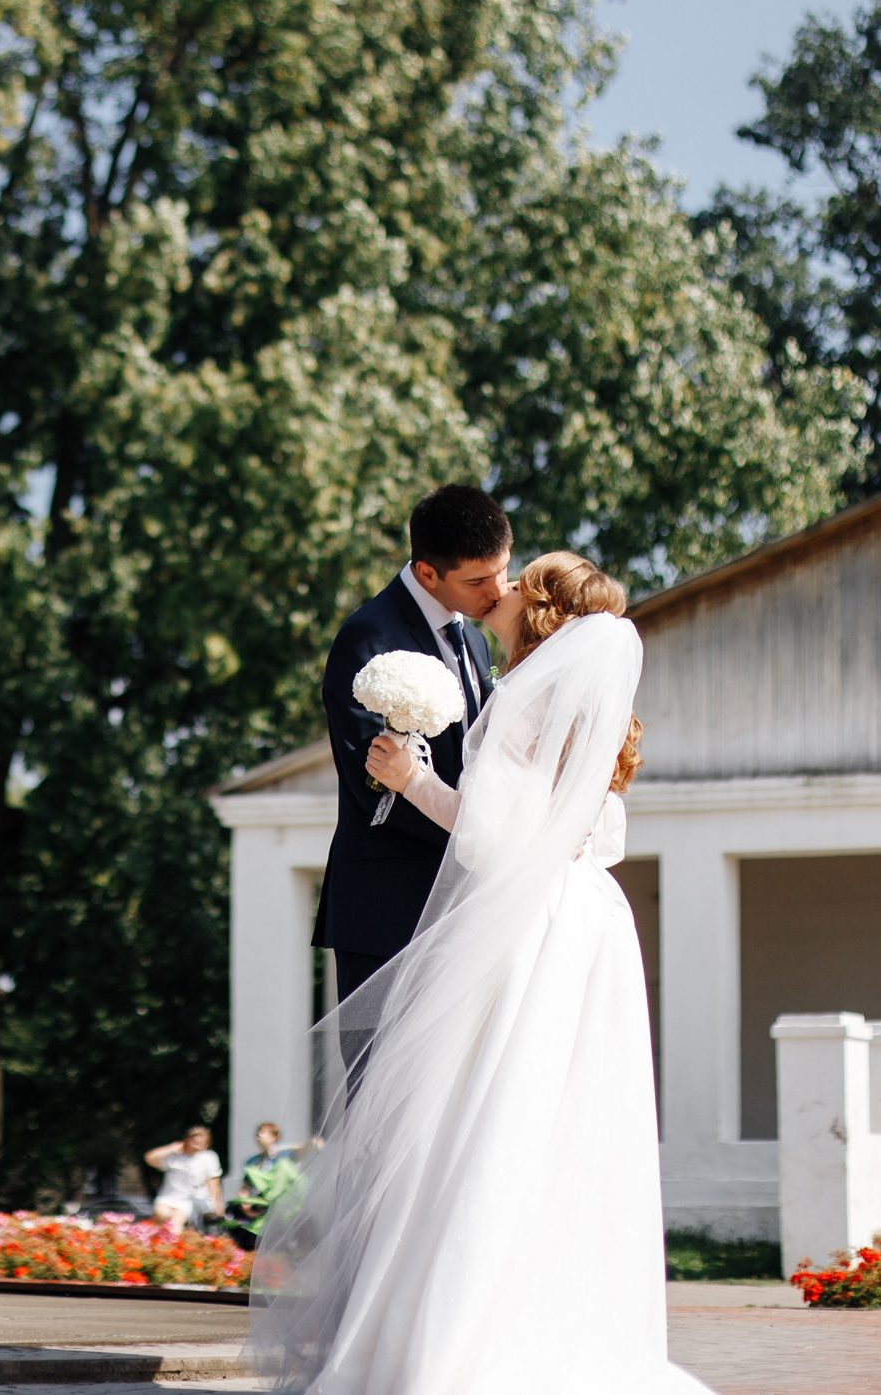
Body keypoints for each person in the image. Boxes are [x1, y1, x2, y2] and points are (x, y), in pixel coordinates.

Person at [249, 553, 708, 1395]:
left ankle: (455, 1337)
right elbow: (598, 836)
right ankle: (540, 1326)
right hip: (588, 921)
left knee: (481, 1119)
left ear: (538, 609)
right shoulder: (591, 709)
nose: (503, 586)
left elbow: (492, 841)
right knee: (546, 1124)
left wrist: (412, 779)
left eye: (522, 579)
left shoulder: (523, 697)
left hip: (526, 925)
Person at [312, 486, 510, 1007]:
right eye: (477, 581)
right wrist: (477, 831)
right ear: (427, 573)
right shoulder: (367, 637)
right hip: (389, 909)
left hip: (466, 906)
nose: (498, 591)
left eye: (502, 571)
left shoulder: (474, 639)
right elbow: (371, 780)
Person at [222, 1121, 303, 1250]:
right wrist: (245, 1205)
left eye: (262, 1133)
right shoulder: (252, 1161)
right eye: (257, 1133)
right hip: (256, 1211)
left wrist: (283, 1147)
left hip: (278, 1211)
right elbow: (245, 1185)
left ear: (274, 1136)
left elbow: (308, 1148)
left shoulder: (284, 1157)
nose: (258, 1137)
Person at [144, 1125, 223, 1233]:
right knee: (162, 1215)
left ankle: (173, 1242)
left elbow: (213, 1181)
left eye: (203, 1142)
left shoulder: (208, 1157)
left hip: (188, 1200)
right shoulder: (174, 1157)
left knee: (175, 1226)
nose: (199, 1145)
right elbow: (150, 1158)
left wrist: (217, 1204)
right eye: (196, 1141)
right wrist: (171, 1148)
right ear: (187, 1139)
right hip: (167, 1197)